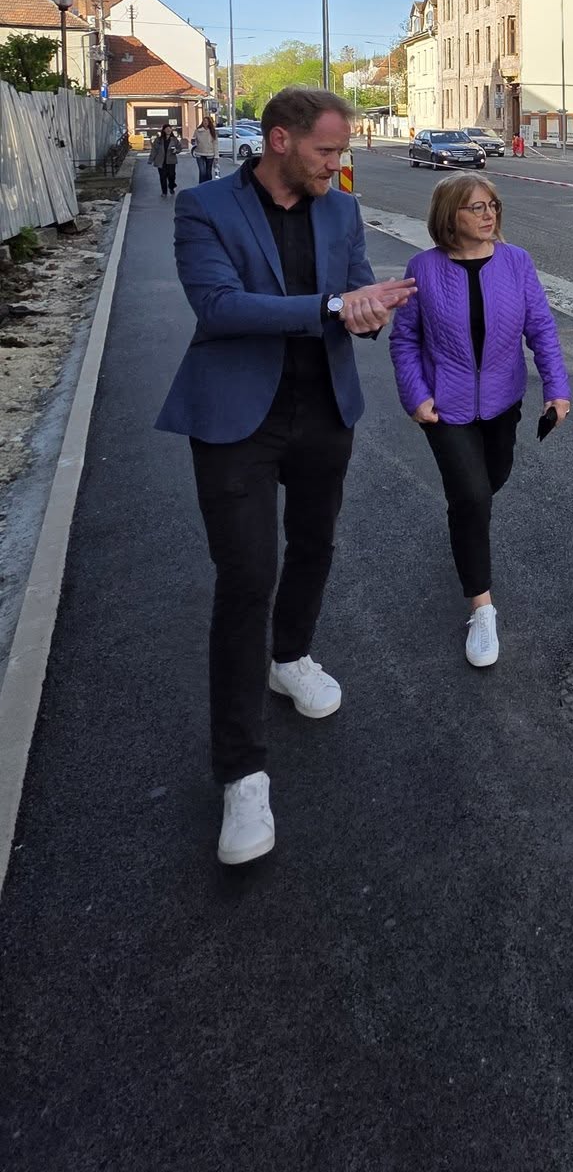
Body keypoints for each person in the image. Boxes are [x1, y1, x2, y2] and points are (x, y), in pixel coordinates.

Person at [155, 86, 416, 867]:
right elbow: (221, 307)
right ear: (278, 141)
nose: (339, 166)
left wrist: (369, 310)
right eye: (327, 152)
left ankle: (292, 656)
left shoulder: (339, 208)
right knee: (245, 580)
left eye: (343, 154)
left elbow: (358, 280)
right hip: (237, 414)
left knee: (315, 546)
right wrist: (337, 305)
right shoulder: (203, 209)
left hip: (323, 408)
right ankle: (241, 772)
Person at [388, 175, 571, 667]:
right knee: (470, 496)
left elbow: (541, 329)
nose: (488, 215)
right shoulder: (422, 269)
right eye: (475, 208)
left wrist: (557, 389)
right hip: (443, 408)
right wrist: (415, 395)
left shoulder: (517, 263)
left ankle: (466, 525)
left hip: (501, 401)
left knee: (491, 482)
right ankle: (482, 608)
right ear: (450, 217)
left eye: (492, 206)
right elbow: (404, 339)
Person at [150, 120, 185, 196]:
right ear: (163, 130)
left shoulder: (174, 139)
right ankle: (164, 192)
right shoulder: (158, 140)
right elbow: (154, 150)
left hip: (171, 161)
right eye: (166, 129)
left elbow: (180, 148)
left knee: (172, 175)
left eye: (170, 129)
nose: (168, 130)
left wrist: (176, 150)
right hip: (161, 161)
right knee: (163, 177)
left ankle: (171, 187)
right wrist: (151, 159)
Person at [191, 114, 218, 184]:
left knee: (208, 171)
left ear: (209, 123)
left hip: (210, 153)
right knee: (202, 171)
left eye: (207, 121)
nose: (205, 122)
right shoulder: (198, 130)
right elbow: (193, 140)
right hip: (199, 153)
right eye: (204, 121)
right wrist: (193, 141)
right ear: (202, 122)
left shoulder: (212, 131)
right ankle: (201, 186)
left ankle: (208, 186)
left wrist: (216, 156)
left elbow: (215, 144)